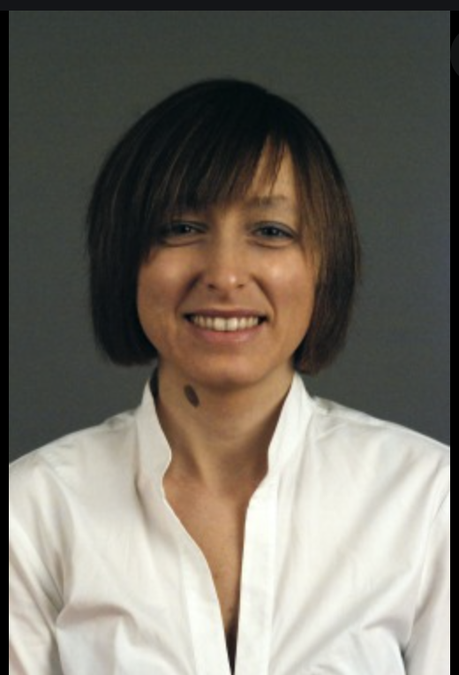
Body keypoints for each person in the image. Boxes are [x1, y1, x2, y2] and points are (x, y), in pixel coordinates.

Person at [9, 79, 449, 675]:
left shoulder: (428, 501)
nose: (224, 273)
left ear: (325, 265)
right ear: (125, 259)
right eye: (181, 227)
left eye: (271, 231)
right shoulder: (31, 513)